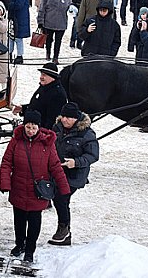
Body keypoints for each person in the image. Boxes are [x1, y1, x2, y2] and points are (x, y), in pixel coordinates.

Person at [0, 110, 70, 263]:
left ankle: (30, 250)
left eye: (33, 128)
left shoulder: (47, 144)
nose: (30, 131)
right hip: (18, 188)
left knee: (34, 223)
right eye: (28, 127)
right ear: (24, 126)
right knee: (19, 221)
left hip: (37, 191)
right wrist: (5, 183)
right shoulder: (16, 141)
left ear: (38, 127)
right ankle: (19, 244)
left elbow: (55, 167)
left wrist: (64, 187)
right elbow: (6, 163)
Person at [49, 102, 99, 247]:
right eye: (63, 116)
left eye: (69, 117)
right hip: (59, 172)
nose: (65, 120)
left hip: (75, 175)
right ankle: (64, 231)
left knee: (61, 198)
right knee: (60, 199)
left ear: (76, 118)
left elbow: (93, 155)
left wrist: (76, 162)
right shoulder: (57, 127)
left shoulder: (87, 134)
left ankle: (64, 230)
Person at [37, 0, 71, 64]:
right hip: (49, 23)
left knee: (58, 41)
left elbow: (68, 8)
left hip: (61, 24)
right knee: (49, 40)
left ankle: (56, 57)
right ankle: (48, 53)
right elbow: (41, 10)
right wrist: (40, 22)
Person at [24, 62, 68, 130]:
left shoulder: (58, 94)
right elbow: (38, 106)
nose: (41, 77)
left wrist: (42, 134)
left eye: (44, 75)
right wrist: (23, 109)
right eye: (41, 74)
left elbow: (51, 121)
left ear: (52, 77)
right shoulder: (45, 86)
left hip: (40, 131)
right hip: (33, 129)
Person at [7, 0, 30, 64]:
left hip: (20, 16)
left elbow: (19, 3)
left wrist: (10, 5)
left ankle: (19, 55)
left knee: (18, 37)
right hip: (15, 15)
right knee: (11, 35)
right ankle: (9, 53)